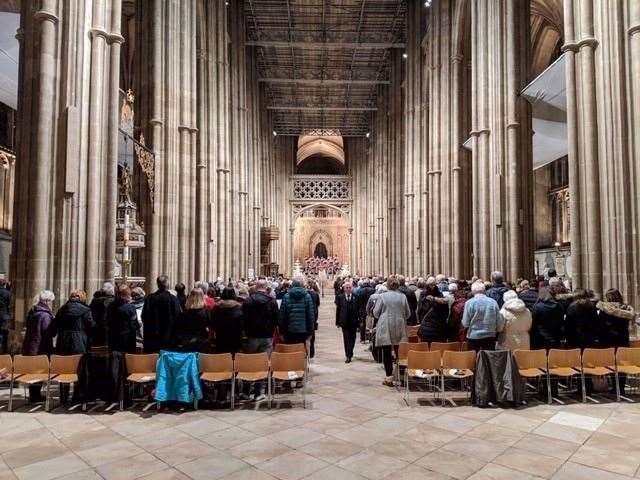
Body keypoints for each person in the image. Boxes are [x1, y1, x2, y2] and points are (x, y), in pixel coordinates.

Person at [242, 279, 279, 400]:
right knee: (264, 363)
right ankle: (259, 392)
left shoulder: (248, 301)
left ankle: (246, 391)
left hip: (251, 336)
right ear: (266, 287)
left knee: (249, 362)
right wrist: (271, 330)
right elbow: (276, 319)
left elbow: (244, 318)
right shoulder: (272, 301)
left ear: (256, 287)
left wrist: (247, 331)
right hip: (267, 336)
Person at [373, 276, 410, 387]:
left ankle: (389, 378)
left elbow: (376, 312)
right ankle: (402, 377)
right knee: (401, 352)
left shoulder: (382, 296)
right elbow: (408, 313)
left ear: (388, 285)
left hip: (386, 325)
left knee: (387, 352)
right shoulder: (403, 297)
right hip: (400, 325)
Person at [598, 289, 636, 395]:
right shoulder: (626, 308)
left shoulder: (605, 309)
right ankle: (621, 388)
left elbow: (601, 325)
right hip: (623, 338)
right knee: (622, 363)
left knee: (612, 363)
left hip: (609, 339)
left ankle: (615, 387)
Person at [21, 290, 55, 402]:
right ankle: (36, 396)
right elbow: (47, 332)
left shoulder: (33, 311)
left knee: (33, 371)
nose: (52, 304)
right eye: (51, 301)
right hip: (40, 347)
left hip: (30, 346)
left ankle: (34, 395)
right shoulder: (45, 315)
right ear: (47, 301)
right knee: (39, 371)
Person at [141, 275, 182, 353]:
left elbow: (144, 316)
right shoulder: (173, 299)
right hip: (168, 338)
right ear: (168, 285)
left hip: (152, 337)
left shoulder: (149, 298)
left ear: (157, 284)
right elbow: (178, 317)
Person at [51, 290, 95, 354]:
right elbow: (91, 326)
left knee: (64, 363)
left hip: (62, 342)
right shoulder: (86, 310)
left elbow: (54, 326)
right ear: (82, 298)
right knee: (78, 362)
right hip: (80, 342)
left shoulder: (62, 309)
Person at [461, 281, 501, 351]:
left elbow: (465, 323)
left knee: (474, 360)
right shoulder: (493, 302)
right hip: (490, 335)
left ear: (472, 291)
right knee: (488, 359)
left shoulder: (469, 303)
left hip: (474, 336)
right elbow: (499, 320)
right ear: (484, 291)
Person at [279, 277, 315, 345]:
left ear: (292, 285)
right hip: (303, 330)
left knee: (289, 351)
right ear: (302, 285)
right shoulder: (307, 296)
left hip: (289, 329)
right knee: (301, 351)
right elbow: (310, 316)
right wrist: (311, 332)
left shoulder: (286, 296)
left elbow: (282, 315)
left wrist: (281, 331)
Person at [174, 288, 210, 352]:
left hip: (187, 340)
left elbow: (180, 326)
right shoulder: (205, 311)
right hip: (202, 340)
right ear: (202, 297)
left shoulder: (185, 312)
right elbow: (210, 325)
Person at [106, 284, 140, 353]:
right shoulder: (130, 308)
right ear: (127, 294)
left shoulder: (110, 306)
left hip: (113, 339)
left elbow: (107, 321)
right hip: (127, 341)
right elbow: (134, 325)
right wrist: (139, 325)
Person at [530, 286, 565, 350]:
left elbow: (533, 323)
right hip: (556, 338)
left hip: (541, 339)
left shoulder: (537, 307)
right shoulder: (559, 306)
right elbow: (561, 321)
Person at [335, 282, 359, 363]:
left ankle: (350, 351)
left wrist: (360, 321)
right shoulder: (340, 297)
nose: (348, 289)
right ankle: (348, 356)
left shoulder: (356, 297)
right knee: (346, 339)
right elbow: (338, 310)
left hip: (354, 321)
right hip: (344, 322)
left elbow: (358, 310)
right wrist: (337, 322)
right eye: (347, 287)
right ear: (344, 289)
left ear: (352, 288)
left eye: (349, 287)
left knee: (353, 338)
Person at [89, 282, 115, 347]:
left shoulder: (95, 300)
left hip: (96, 329)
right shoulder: (113, 301)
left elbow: (90, 314)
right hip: (111, 330)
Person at [306, 281, 320, 358]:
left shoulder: (306, 295)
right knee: (312, 334)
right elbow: (318, 304)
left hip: (307, 315)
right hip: (313, 314)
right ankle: (311, 352)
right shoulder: (315, 294)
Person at [131, 287, 145, 352]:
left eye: (134, 295)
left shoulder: (145, 305)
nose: (133, 297)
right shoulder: (130, 305)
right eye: (132, 295)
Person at [0, 277, 10, 352]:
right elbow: (10, 304)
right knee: (4, 333)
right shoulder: (7, 293)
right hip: (5, 315)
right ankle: (4, 350)